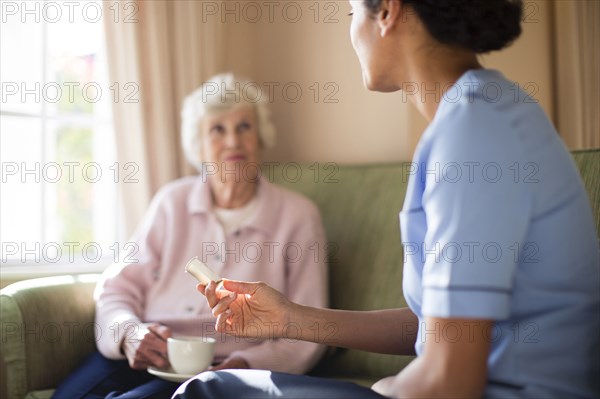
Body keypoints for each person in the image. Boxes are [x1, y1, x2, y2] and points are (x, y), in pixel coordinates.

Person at [175, 1, 600, 398]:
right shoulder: (482, 112)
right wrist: (291, 318)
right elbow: (439, 328)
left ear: (387, 12)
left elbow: (451, 378)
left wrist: (386, 390)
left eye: (348, 13)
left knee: (209, 389)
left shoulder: (472, 136)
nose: (350, 32)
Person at [52, 74, 329, 399]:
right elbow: (117, 287)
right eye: (217, 129)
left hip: (225, 368)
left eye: (244, 127)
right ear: (198, 145)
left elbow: (310, 329)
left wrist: (244, 364)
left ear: (262, 136)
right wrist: (129, 333)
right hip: (145, 351)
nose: (233, 142)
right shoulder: (172, 202)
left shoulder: (297, 215)